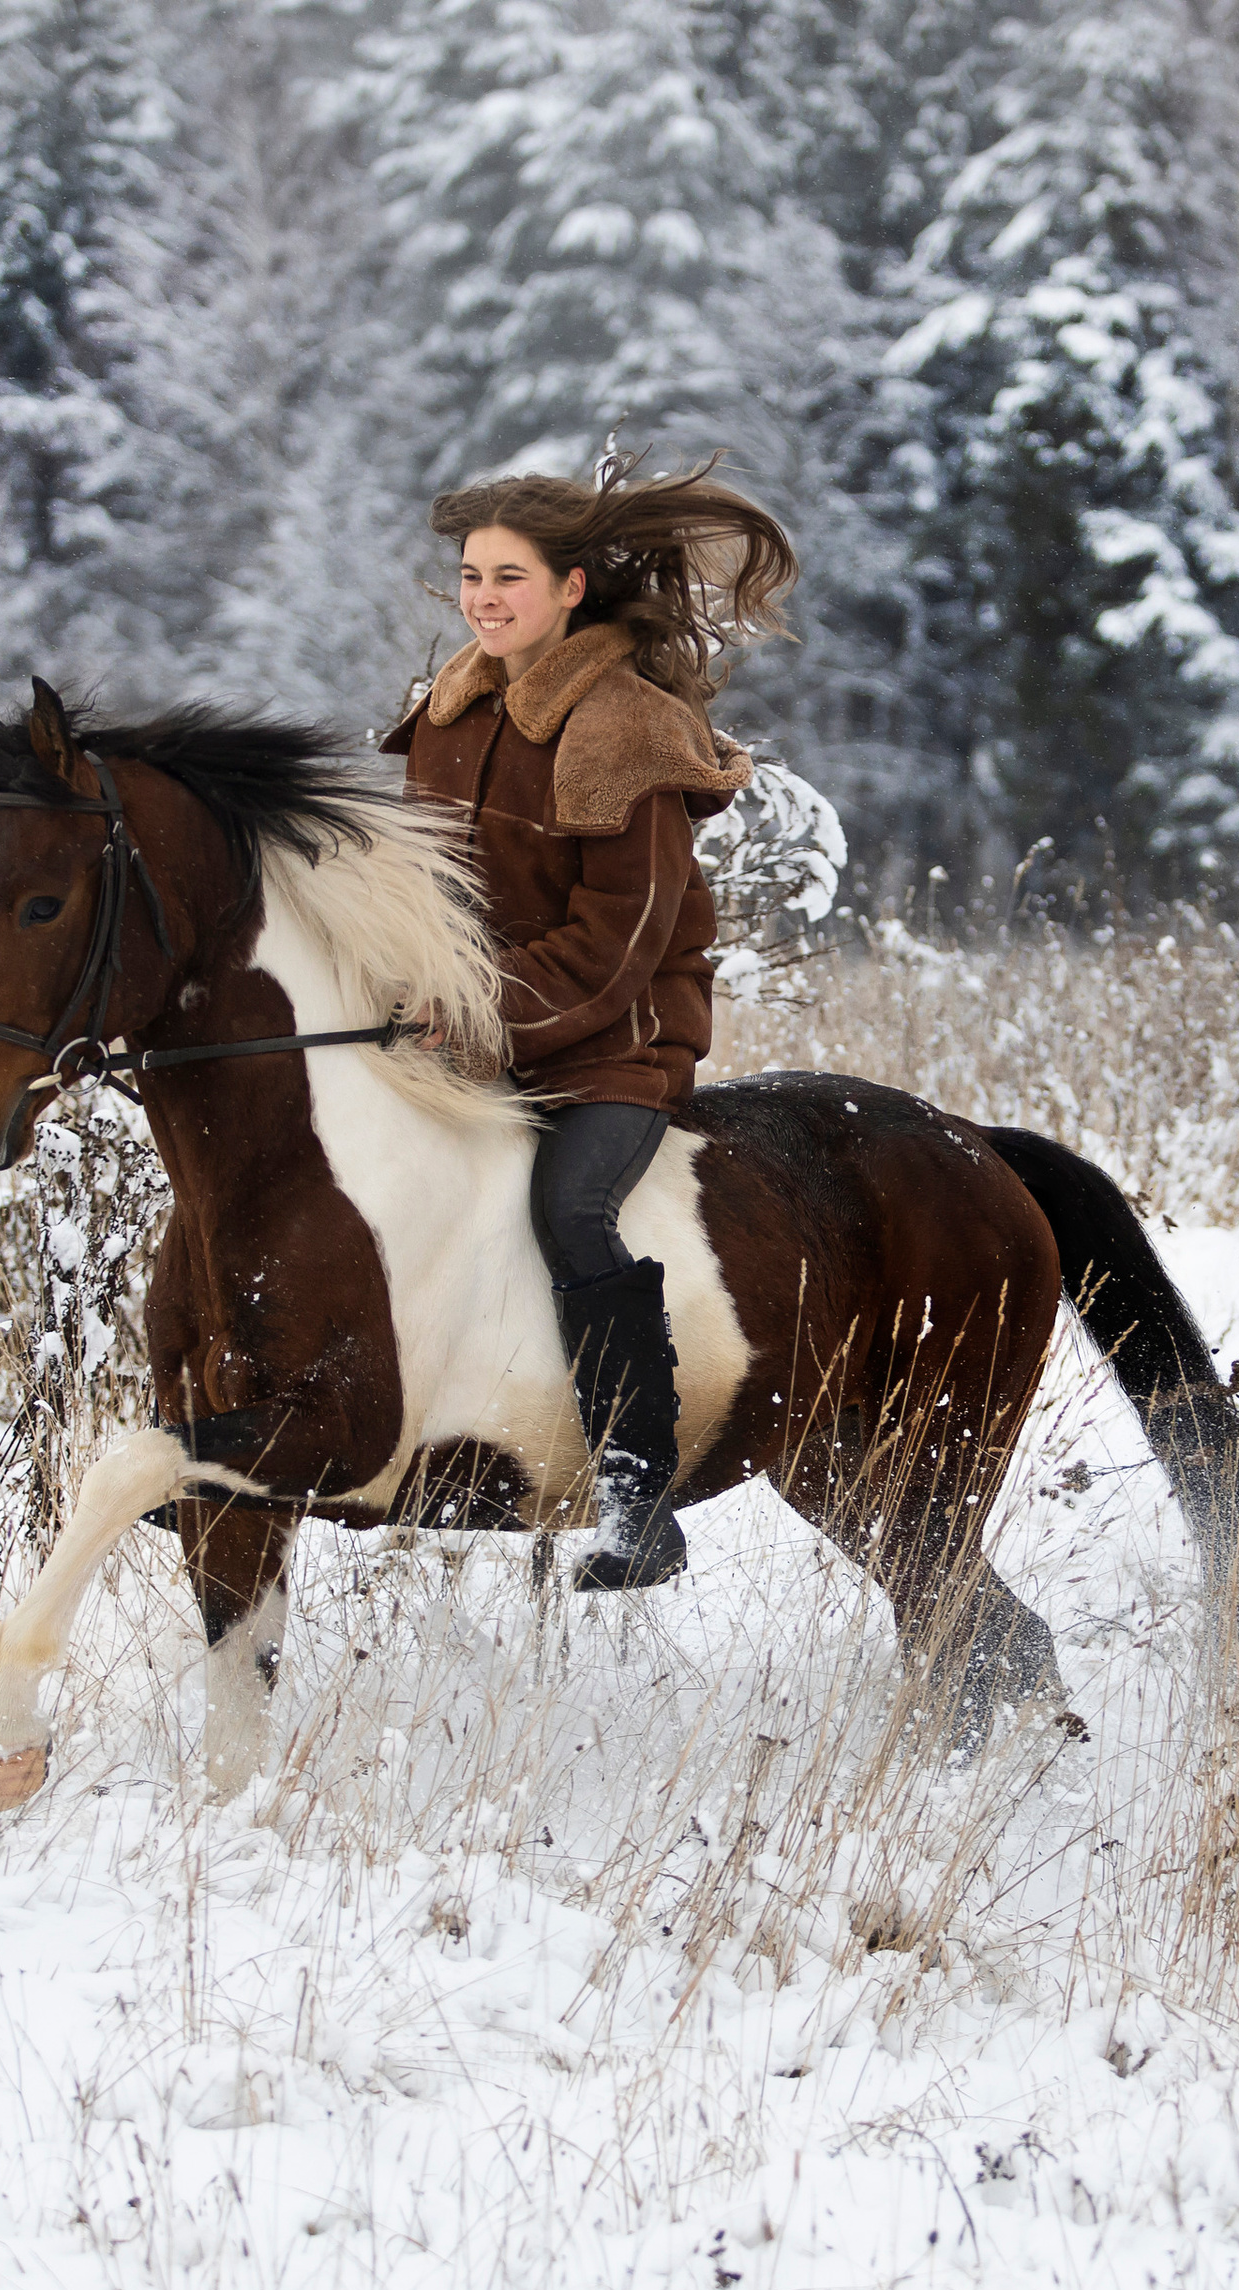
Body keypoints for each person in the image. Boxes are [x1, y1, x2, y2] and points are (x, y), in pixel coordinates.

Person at [380, 455, 798, 1588]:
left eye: (507, 576)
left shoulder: (623, 728)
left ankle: (635, 1492)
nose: (481, 597)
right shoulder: (449, 713)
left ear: (572, 588)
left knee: (569, 1206)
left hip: (615, 1049)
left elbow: (618, 948)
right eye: (469, 575)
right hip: (465, 1033)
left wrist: (468, 1017)